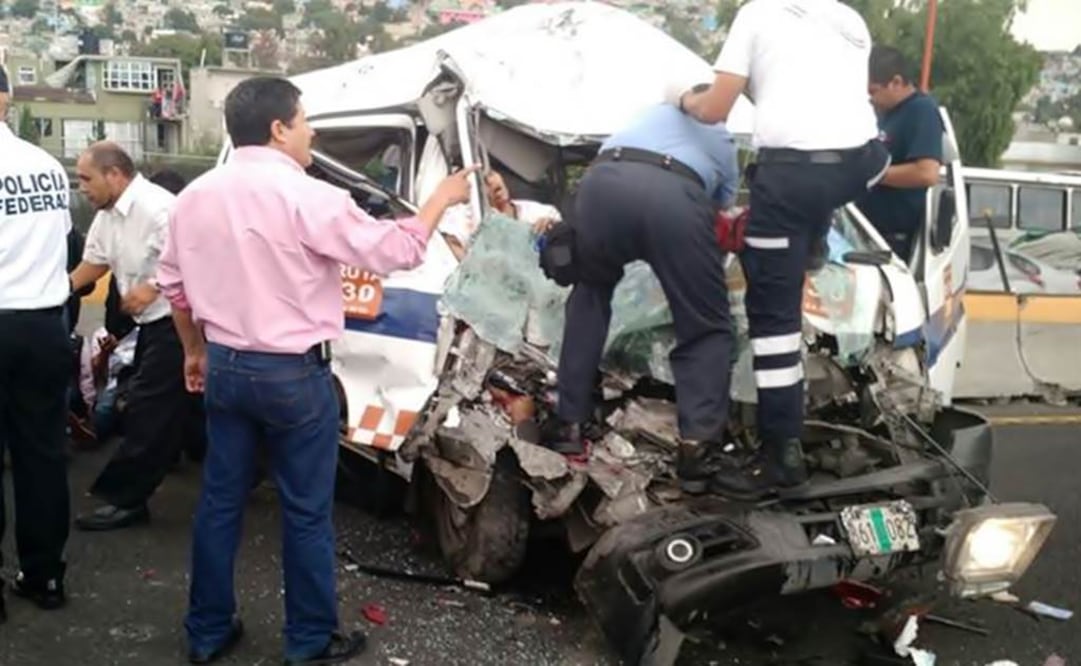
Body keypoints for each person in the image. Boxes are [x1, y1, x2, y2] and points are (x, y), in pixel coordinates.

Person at [156, 76, 475, 665]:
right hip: (292, 376)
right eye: (305, 122)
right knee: (305, 511)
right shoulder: (308, 196)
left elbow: (173, 287)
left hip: (226, 366)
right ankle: (308, 640)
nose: (312, 133)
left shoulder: (194, 197)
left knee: (220, 502)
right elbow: (396, 251)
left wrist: (194, 352)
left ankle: (207, 630)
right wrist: (441, 200)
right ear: (279, 130)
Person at [671, 0, 891, 499]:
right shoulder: (849, 19)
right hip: (860, 164)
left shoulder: (757, 14)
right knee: (808, 217)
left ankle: (780, 456)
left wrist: (683, 99)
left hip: (791, 177)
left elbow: (716, 107)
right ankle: (809, 246)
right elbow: (817, 95)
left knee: (773, 326)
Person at [544, 102, 740, 493]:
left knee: (591, 293)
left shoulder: (649, 114)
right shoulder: (721, 132)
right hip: (673, 196)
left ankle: (569, 424)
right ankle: (697, 452)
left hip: (601, 185)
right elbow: (718, 213)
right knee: (706, 326)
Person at [68, 141, 188, 531]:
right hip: (152, 324)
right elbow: (93, 265)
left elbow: (190, 260)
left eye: (86, 178)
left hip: (181, 321)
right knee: (170, 406)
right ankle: (244, 468)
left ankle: (128, 500)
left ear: (114, 175)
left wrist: (153, 287)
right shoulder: (107, 216)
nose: (81, 187)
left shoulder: (160, 208)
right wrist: (49, 293)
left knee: (147, 408)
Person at [0, 63, 74, 620]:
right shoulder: (46, 165)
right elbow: (65, 243)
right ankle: (44, 572)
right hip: (46, 322)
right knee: (42, 455)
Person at [857, 45, 944, 262]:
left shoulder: (921, 111)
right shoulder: (885, 113)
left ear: (896, 82)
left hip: (893, 241)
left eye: (873, 91)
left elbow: (927, 173)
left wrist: (873, 173)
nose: (870, 99)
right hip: (867, 233)